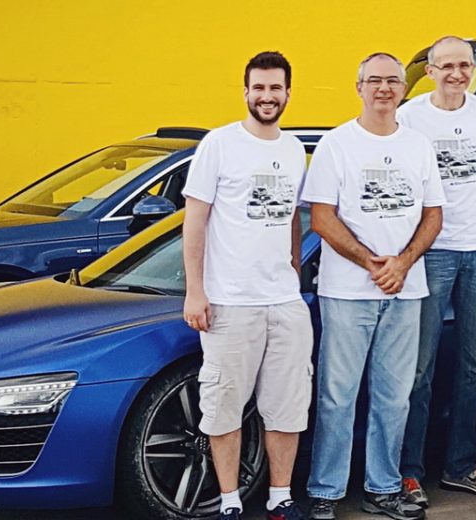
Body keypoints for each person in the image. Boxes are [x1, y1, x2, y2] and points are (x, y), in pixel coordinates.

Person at [300, 52, 445, 520]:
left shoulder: (418, 146)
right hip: (347, 292)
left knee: (394, 397)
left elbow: (433, 215)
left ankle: (383, 488)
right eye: (375, 80)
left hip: (406, 291)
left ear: (404, 89)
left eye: (393, 81)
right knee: (337, 395)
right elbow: (322, 218)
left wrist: (402, 263)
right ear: (359, 87)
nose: (384, 88)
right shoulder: (337, 144)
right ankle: (325, 490)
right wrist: (371, 262)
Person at [181, 51, 311, 520]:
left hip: (285, 302)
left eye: (275, 88)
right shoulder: (219, 144)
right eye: (259, 88)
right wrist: (195, 291)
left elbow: (292, 216)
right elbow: (195, 221)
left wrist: (293, 268)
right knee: (223, 407)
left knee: (288, 407)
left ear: (288, 93)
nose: (267, 96)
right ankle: (230, 503)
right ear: (246, 92)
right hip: (230, 303)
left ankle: (280, 498)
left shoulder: (293, 149)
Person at [395, 36, 476, 507]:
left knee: (475, 369)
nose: (458, 74)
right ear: (431, 71)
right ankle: (408, 472)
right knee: (418, 371)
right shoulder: (410, 116)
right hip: (431, 255)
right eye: (447, 66)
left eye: (465, 65)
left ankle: (461, 465)